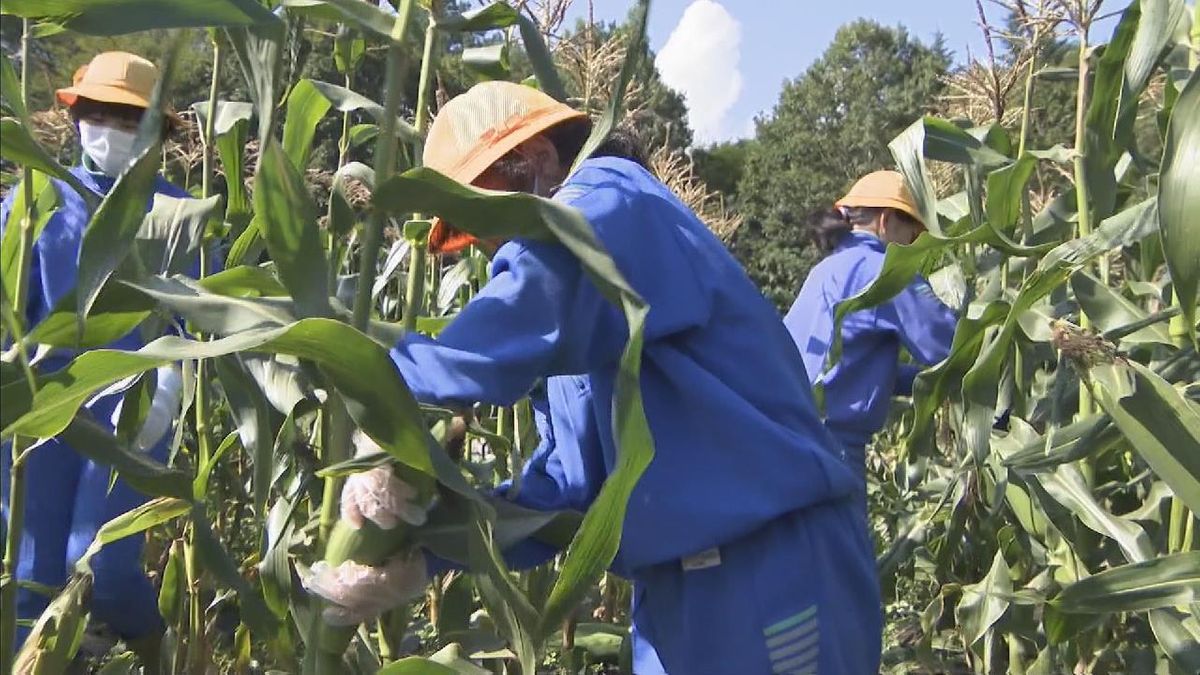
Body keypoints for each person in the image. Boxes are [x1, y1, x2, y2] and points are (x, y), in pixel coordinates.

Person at [308, 81, 881, 675]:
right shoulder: (581, 323)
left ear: (537, 161)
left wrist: (393, 396)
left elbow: (535, 293)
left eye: (485, 216)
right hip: (674, 589)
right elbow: (566, 492)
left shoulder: (611, 201)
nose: (487, 247)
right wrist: (429, 554)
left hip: (767, 568)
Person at [0, 51, 191, 665]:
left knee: (104, 565)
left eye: (128, 117)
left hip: (135, 414)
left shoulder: (180, 216)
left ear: (159, 130)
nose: (108, 127)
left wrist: (171, 383)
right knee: (31, 576)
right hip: (41, 415)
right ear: (75, 115)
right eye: (98, 112)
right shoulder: (34, 201)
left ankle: (164, 655)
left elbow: (206, 321)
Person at [783, 171, 958, 496]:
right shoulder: (886, 272)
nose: (913, 247)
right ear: (887, 221)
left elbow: (849, 368)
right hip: (832, 452)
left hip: (786, 439)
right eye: (912, 234)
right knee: (843, 548)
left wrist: (919, 382)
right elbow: (953, 349)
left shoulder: (825, 271)